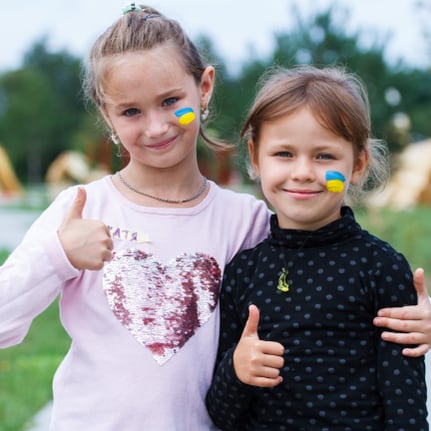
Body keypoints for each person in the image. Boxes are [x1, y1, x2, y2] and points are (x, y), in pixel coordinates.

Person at [0, 5, 429, 431]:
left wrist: (418, 320)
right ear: (105, 112)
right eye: (131, 111)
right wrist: (59, 255)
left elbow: (331, 268)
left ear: (203, 88)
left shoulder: (247, 220)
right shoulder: (82, 208)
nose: (156, 127)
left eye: (171, 101)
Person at [205, 65, 428, 430]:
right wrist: (236, 369)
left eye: (324, 156)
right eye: (284, 154)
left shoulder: (381, 268)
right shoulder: (243, 271)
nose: (304, 172)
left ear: (357, 164)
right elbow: (222, 415)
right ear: (255, 157)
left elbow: (407, 410)